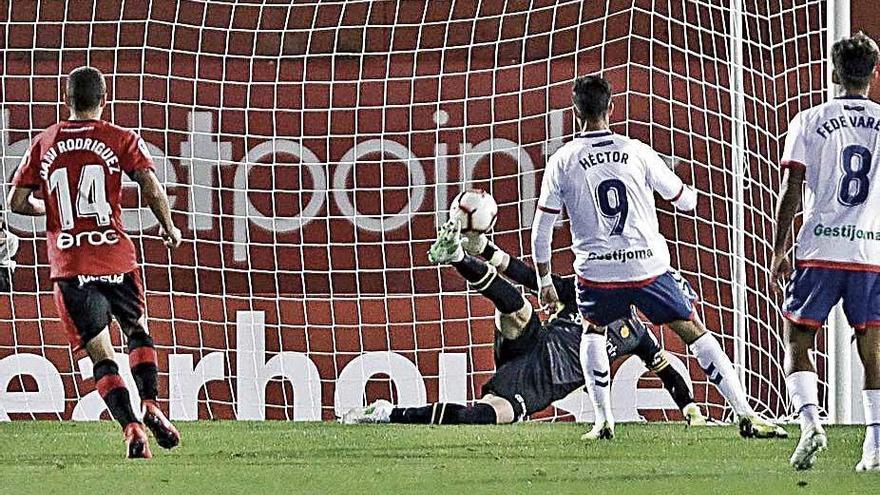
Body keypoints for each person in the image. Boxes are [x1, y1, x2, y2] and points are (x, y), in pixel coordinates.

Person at [531, 74, 786, 440]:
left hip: (598, 272)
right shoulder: (636, 150)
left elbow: (541, 232)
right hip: (646, 266)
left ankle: (603, 421)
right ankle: (745, 413)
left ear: (575, 112)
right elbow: (683, 200)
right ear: (611, 108)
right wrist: (697, 194)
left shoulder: (563, 160)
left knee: (593, 330)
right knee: (694, 332)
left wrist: (543, 281)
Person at [342, 225, 706, 429]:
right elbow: (527, 275)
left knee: (482, 417)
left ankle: (386, 413)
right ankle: (455, 255)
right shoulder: (587, 290)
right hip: (534, 341)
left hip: (538, 384)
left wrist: (690, 407)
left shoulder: (638, 336)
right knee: (517, 308)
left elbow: (667, 370)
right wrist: (484, 248)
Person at [7, 66, 182, 459]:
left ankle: (131, 427)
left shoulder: (43, 143)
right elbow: (151, 186)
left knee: (101, 355)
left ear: (66, 101)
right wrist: (169, 226)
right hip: (116, 257)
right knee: (138, 330)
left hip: (70, 268)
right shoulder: (121, 138)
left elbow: (16, 203)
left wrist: (48, 209)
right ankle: (151, 402)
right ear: (105, 100)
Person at [771, 32, 880, 471]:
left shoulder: (809, 120)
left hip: (818, 249)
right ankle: (874, 448)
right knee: (872, 350)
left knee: (798, 339)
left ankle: (811, 423)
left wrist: (780, 250)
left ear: (834, 73)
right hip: (870, 251)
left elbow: (791, 188)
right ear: (873, 74)